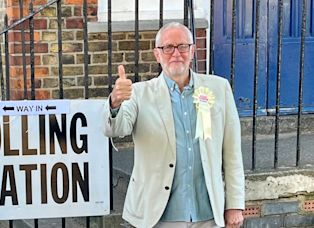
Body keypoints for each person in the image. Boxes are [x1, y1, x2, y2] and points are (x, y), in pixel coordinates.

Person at [102, 22, 245, 228]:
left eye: (183, 46)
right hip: (157, 216)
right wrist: (115, 102)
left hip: (207, 214)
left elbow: (232, 152)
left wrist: (235, 205)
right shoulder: (139, 93)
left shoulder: (219, 88)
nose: (176, 53)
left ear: (193, 51)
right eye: (168, 47)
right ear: (157, 54)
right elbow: (115, 129)